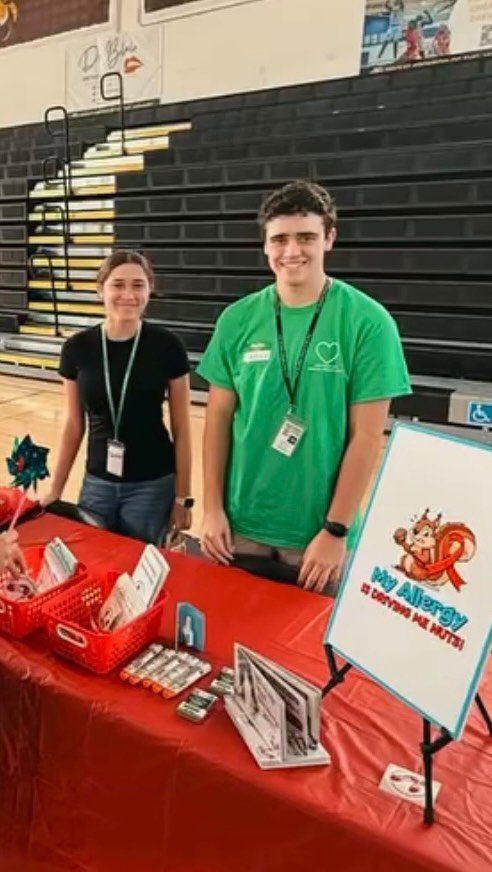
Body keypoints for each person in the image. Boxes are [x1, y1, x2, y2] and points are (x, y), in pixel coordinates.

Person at [198, 180, 411, 593]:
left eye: (306, 237)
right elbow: (218, 419)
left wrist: (335, 529)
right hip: (239, 527)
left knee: (309, 636)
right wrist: (212, 509)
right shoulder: (236, 319)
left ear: (329, 238)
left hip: (316, 537)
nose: (291, 251)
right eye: (279, 239)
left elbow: (367, 437)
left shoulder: (368, 322)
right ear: (265, 245)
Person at [43, 250, 194, 544]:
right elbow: (73, 425)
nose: (128, 294)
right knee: (93, 560)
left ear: (150, 289)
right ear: (101, 289)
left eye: (138, 285)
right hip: (97, 483)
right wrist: (55, 491)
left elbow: (182, 429)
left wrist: (183, 497)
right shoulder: (76, 348)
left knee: (140, 567)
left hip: (152, 486)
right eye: (118, 284)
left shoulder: (167, 346)